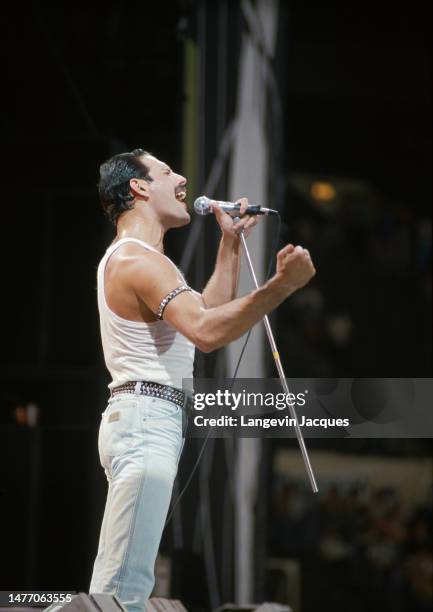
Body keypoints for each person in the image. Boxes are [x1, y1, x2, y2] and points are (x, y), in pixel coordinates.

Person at [88, 148, 316, 610]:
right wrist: (280, 287)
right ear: (139, 187)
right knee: (122, 589)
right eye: (167, 171)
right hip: (145, 419)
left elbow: (206, 312)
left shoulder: (149, 260)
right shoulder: (138, 262)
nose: (183, 177)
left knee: (126, 581)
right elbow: (209, 333)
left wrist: (230, 246)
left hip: (148, 419)